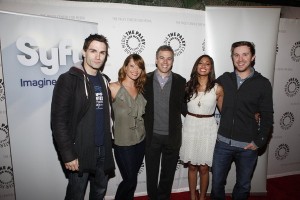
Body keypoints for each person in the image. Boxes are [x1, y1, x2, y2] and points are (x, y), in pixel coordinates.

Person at [51, 34, 115, 200]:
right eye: (93, 51)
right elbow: (58, 122)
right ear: (84, 52)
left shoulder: (105, 81)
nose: (98, 56)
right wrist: (68, 154)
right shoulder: (68, 79)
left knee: (99, 192)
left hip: (104, 150)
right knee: (76, 195)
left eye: (102, 52)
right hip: (80, 151)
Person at [210, 41, 274, 200]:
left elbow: (267, 115)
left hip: (247, 147)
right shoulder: (224, 79)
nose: (240, 59)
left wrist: (259, 141)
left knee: (243, 185)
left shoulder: (263, 83)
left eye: (245, 54)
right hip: (223, 144)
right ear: (232, 57)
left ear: (253, 57)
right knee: (217, 184)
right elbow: (204, 90)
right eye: (236, 55)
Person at [143, 45, 187, 200]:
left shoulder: (181, 82)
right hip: (151, 136)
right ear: (156, 60)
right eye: (162, 57)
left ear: (173, 61)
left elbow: (186, 108)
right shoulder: (144, 80)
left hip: (172, 137)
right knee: (152, 173)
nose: (165, 62)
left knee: (167, 174)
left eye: (169, 58)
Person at [180, 55, 224, 200]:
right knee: (192, 166)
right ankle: (193, 196)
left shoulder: (217, 89)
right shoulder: (188, 86)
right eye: (201, 63)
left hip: (208, 128)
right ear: (196, 66)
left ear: (211, 68)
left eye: (207, 64)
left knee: (204, 167)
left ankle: (203, 197)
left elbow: (225, 112)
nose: (204, 66)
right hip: (190, 126)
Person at [109, 54, 147, 200]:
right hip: (123, 143)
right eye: (132, 65)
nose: (135, 70)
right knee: (130, 179)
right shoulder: (113, 88)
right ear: (125, 67)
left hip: (140, 140)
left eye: (139, 67)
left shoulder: (140, 88)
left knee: (132, 180)